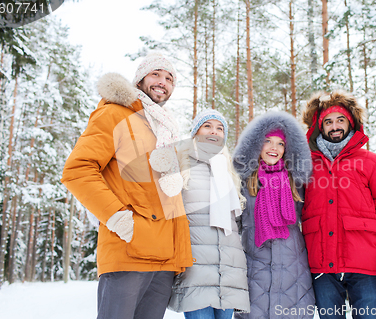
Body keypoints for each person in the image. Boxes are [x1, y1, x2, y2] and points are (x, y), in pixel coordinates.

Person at [61, 52, 193, 319]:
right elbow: (78, 170)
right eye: (155, 74)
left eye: (169, 78)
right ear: (140, 79)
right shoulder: (114, 114)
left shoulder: (165, 128)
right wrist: (116, 217)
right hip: (129, 250)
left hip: (164, 259)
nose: (162, 82)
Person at [300, 90, 376, 319]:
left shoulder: (372, 163)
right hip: (322, 266)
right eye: (328, 121)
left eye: (340, 120)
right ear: (319, 126)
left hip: (363, 264)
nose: (334, 126)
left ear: (351, 123)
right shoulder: (306, 164)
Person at [232, 111, 315, 319]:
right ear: (256, 144)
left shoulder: (296, 182)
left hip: (293, 273)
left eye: (280, 143)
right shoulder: (243, 182)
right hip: (254, 270)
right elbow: (233, 227)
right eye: (268, 141)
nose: (274, 148)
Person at [168, 109, 250, 319]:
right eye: (207, 126)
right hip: (196, 270)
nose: (214, 131)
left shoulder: (229, 170)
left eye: (219, 128)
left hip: (229, 270)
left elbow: (238, 221)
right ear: (196, 132)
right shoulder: (181, 162)